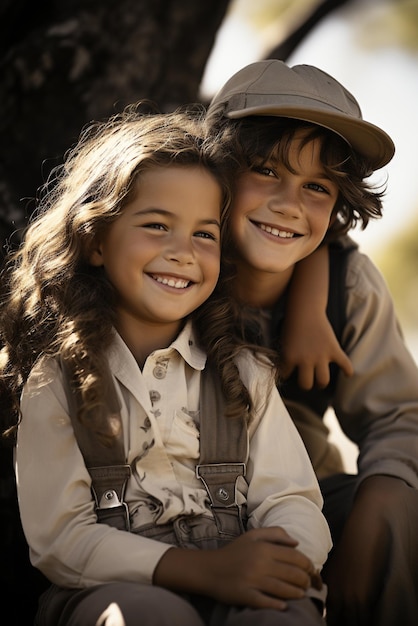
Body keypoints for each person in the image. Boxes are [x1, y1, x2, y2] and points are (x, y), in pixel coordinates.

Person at [0, 104, 332, 626]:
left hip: (245, 576)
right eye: (157, 225)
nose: (183, 252)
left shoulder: (243, 372)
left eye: (205, 234)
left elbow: (290, 496)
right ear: (94, 241)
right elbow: (61, 540)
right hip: (112, 589)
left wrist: (283, 562)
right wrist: (207, 572)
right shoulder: (56, 380)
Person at [206, 59, 418, 626]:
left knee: (402, 504)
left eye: (317, 186)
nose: (289, 203)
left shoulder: (347, 284)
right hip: (178, 497)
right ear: (214, 170)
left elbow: (399, 415)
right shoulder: (172, 267)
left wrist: (384, 495)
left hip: (303, 490)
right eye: (266, 170)